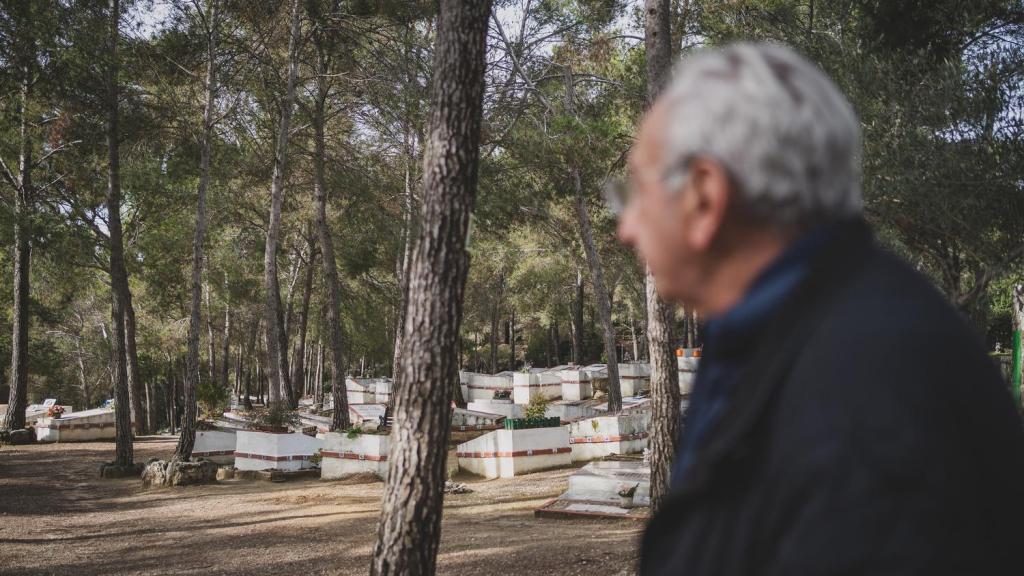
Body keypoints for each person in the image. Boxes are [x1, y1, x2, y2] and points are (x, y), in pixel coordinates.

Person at [615, 42, 1024, 575]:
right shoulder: (782, 337)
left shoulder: (868, 398)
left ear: (705, 196)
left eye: (637, 191)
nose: (626, 228)